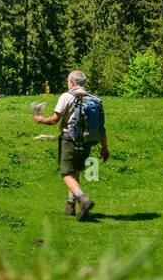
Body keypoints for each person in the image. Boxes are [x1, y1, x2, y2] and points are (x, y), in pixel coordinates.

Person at [34, 70, 109, 220]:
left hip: (70, 139)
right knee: (75, 172)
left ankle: (83, 199)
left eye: (68, 82)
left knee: (66, 173)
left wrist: (40, 119)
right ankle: (70, 205)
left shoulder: (67, 96)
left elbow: (54, 120)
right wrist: (105, 148)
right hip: (88, 141)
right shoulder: (95, 100)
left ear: (72, 83)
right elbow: (102, 128)